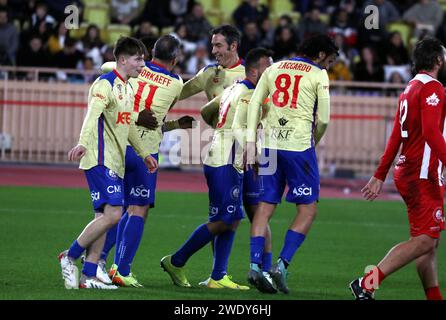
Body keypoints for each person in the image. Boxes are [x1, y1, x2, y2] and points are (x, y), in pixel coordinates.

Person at [160, 47, 273, 290]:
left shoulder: (234, 88)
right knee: (226, 219)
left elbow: (206, 110)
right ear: (255, 70)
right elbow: (239, 129)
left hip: (220, 156)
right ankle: (177, 260)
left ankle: (218, 276)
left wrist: (218, 128)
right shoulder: (248, 94)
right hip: (226, 159)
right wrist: (252, 154)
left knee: (230, 219)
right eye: (268, 67)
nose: (271, 71)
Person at [350, 37, 446, 301]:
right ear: (438, 60)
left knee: (428, 242)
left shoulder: (410, 89)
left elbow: (396, 136)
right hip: (421, 173)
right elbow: (430, 133)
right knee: (426, 239)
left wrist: (380, 174)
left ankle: (434, 297)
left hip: (410, 169)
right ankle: (366, 283)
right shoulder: (433, 88)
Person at [58, 37, 158, 290]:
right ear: (123, 59)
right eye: (138, 59)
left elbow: (128, 125)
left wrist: (144, 153)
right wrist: (82, 142)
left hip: (116, 159)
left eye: (143, 59)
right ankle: (69, 256)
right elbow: (92, 115)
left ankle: (88, 275)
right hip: (99, 158)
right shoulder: (105, 84)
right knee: (114, 214)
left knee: (103, 217)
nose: (142, 65)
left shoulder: (128, 87)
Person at [97, 35, 194, 287]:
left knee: (116, 210)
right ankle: (121, 268)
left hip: (118, 144)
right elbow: (157, 119)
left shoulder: (131, 68)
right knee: (138, 209)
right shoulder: (175, 82)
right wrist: (169, 123)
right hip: (144, 151)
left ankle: (99, 261)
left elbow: (106, 67)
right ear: (175, 59)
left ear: (150, 53)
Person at [246, 34, 338, 294]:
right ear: (320, 55)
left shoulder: (274, 68)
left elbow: (255, 103)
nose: (328, 66)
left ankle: (254, 265)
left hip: (270, 145)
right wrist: (313, 143)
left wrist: (252, 141)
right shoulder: (319, 74)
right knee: (307, 210)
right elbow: (323, 120)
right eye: (329, 60)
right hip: (298, 148)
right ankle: (282, 265)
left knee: (264, 207)